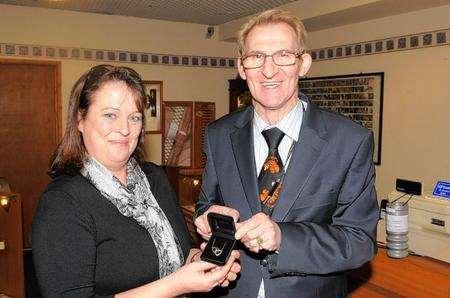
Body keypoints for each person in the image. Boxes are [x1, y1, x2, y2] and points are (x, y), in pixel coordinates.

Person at [195, 9, 379, 298]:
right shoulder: (218, 134)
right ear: (242, 68)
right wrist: (207, 218)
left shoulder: (350, 141)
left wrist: (283, 238)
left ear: (303, 63)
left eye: (283, 55)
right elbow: (206, 203)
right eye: (256, 57)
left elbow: (359, 242)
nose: (269, 71)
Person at [31, 64, 240, 297]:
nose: (124, 129)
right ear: (80, 119)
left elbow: (181, 253)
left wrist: (203, 262)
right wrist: (178, 285)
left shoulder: (155, 178)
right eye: (110, 115)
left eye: (134, 117)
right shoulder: (63, 202)